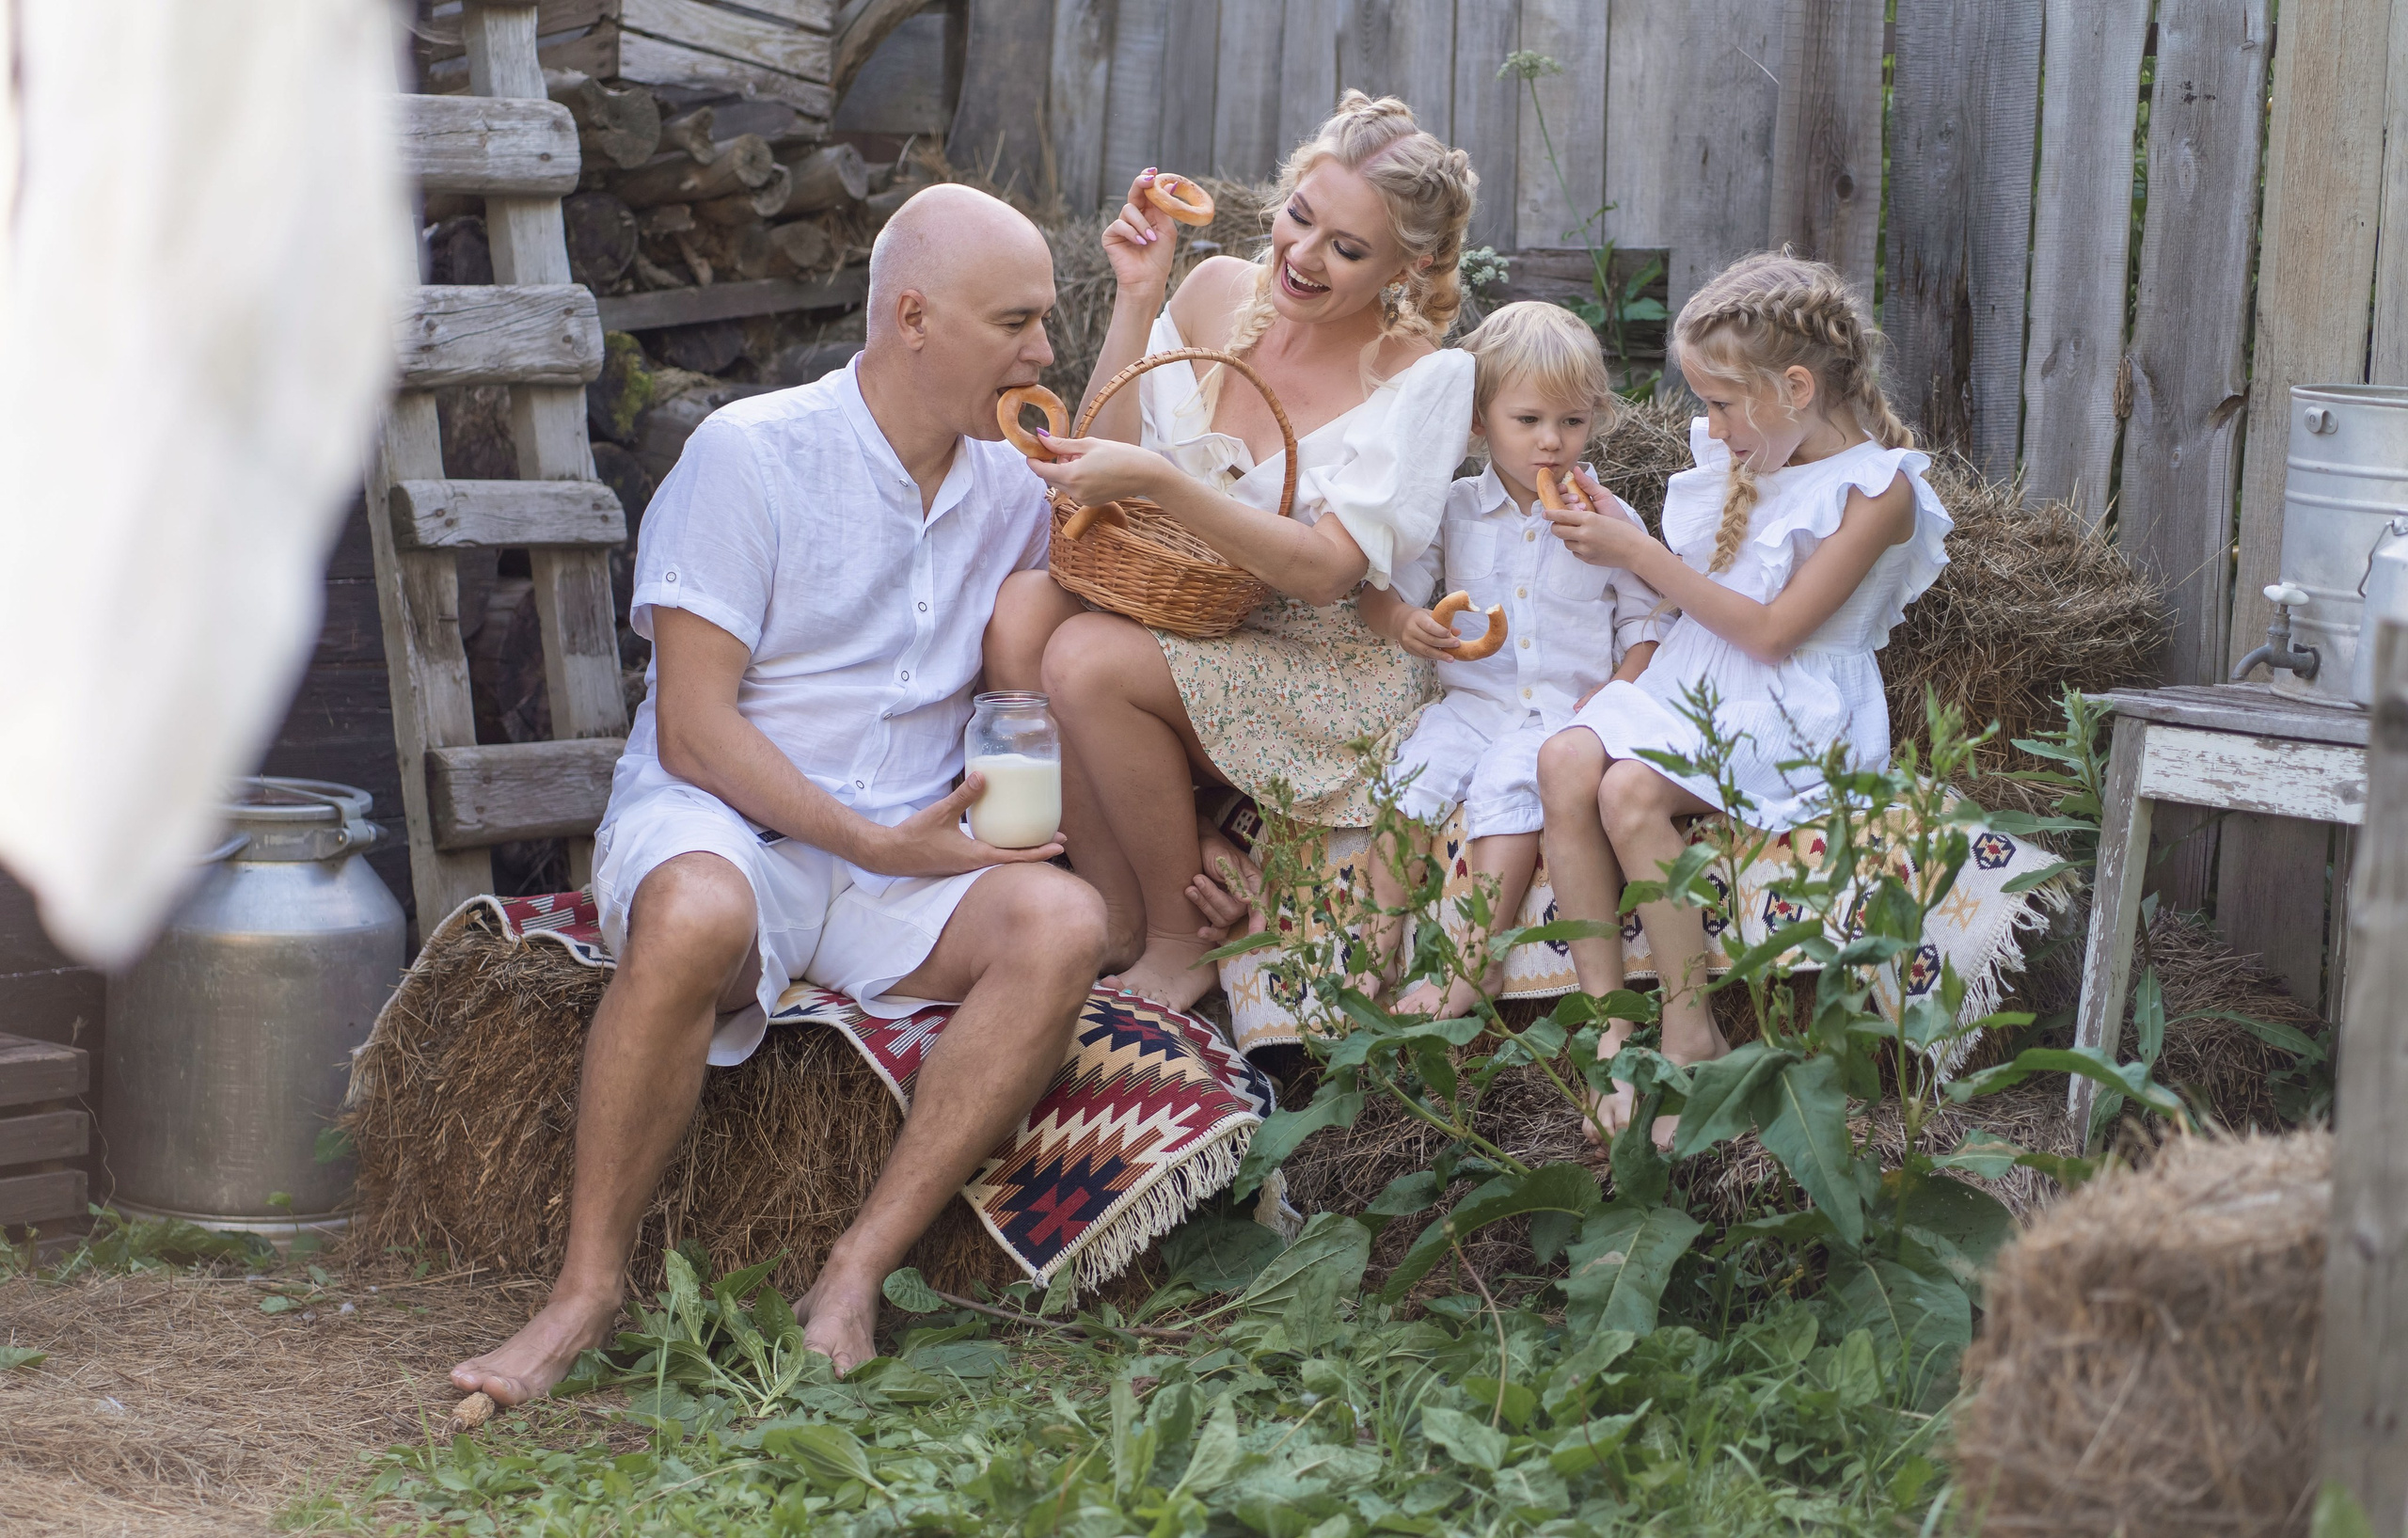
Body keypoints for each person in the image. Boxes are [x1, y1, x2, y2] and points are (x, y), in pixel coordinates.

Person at [449, 184, 1109, 1403]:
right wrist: (873, 838)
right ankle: (584, 1292)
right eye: (1017, 320)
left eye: (1048, 323)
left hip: (898, 853)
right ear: (913, 315)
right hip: (727, 822)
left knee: (1065, 924)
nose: (1043, 352)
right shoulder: (749, 453)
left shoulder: (1019, 489)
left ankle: (855, 1268)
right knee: (695, 915)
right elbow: (696, 731)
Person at [981, 91, 1479, 1012]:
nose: (1302, 256)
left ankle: (1180, 945)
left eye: (1347, 249)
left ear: (1406, 265)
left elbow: (1332, 571)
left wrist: (1162, 484)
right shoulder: (1214, 292)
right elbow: (1097, 447)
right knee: (1022, 615)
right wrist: (1136, 297)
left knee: (1083, 658)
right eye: (1300, 217)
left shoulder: (1424, 375)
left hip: (1325, 653)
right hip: (1193, 607)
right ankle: (1116, 909)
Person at [1534, 252, 1954, 1143]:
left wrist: (1639, 556)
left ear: (1795, 386)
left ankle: (1691, 1033)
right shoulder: (1749, 444)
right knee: (1565, 758)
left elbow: (1772, 632)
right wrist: (1622, 522)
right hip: (1697, 667)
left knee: (1628, 789)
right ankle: (1611, 1034)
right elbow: (1707, 587)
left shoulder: (1879, 493)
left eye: (1722, 403)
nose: (1710, 425)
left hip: (1790, 696)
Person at [1354, 301, 1665, 1018]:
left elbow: (1650, 616)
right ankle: (1374, 955)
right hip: (1473, 702)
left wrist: (1617, 693)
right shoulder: (1452, 507)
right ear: (1478, 422)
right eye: (1528, 421)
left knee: (1504, 794)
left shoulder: (1607, 518)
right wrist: (1407, 623)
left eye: (1573, 422)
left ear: (1597, 419)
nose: (1552, 442)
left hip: (1561, 714)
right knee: (1410, 785)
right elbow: (1381, 594)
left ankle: (1473, 970)